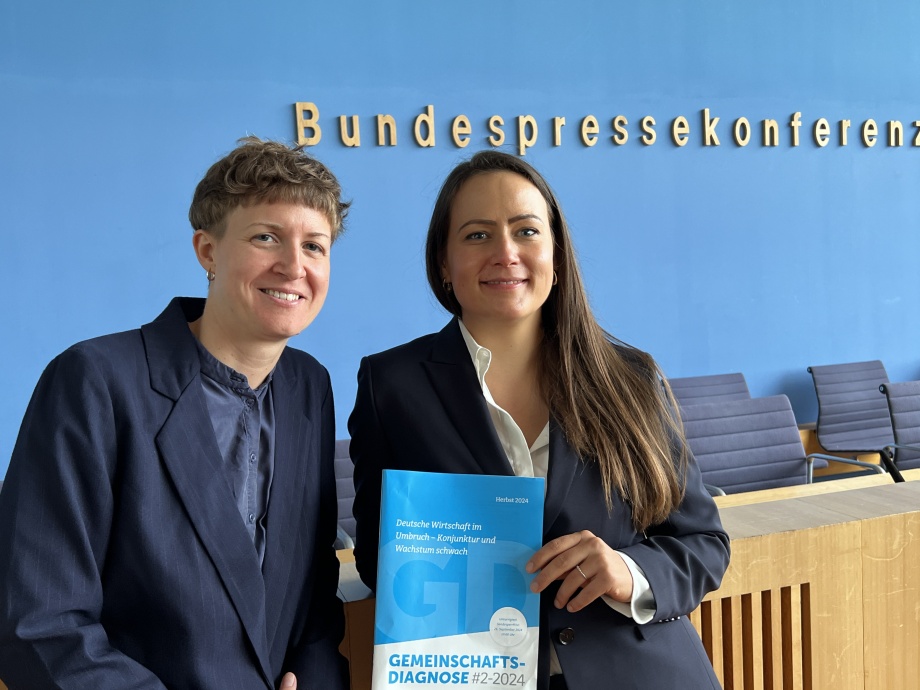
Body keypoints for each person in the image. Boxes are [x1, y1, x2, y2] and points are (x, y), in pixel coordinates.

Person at [348, 150, 731, 690]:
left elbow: (703, 543)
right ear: (443, 262)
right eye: (477, 235)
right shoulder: (391, 385)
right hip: (472, 676)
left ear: (556, 253)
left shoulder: (631, 378)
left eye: (526, 231)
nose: (506, 253)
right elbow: (375, 559)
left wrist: (628, 572)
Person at [0, 137, 350, 690]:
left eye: (315, 246)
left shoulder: (311, 386)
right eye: (267, 237)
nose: (294, 266)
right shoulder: (94, 380)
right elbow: (39, 627)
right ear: (207, 251)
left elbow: (311, 602)